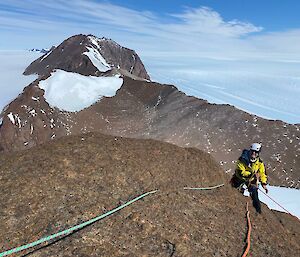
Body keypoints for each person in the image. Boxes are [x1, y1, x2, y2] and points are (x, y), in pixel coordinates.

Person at [231, 143, 268, 213]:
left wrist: (264, 183)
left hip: (250, 180)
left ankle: (258, 211)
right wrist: (252, 174)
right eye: (252, 151)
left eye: (256, 152)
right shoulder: (242, 159)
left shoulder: (259, 162)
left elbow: (262, 173)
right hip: (240, 179)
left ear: (258, 153)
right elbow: (241, 172)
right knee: (237, 192)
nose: (254, 153)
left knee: (255, 195)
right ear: (250, 150)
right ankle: (236, 209)